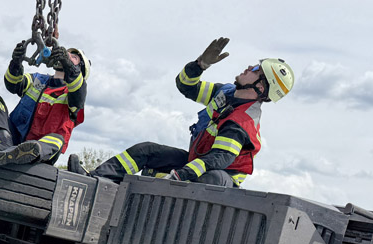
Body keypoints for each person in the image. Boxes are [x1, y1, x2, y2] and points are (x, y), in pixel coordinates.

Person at [69, 37, 294, 187]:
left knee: (209, 178)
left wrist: (180, 175)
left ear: (261, 88)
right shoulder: (226, 92)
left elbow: (218, 159)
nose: (248, 67)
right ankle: (94, 180)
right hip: (199, 160)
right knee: (146, 151)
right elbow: (186, 86)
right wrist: (200, 65)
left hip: (222, 177)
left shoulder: (242, 122)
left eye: (256, 70)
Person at [0, 40, 89, 166]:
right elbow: (13, 84)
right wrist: (16, 63)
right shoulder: (37, 79)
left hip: (42, 151)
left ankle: (28, 152)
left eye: (73, 57)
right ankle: (4, 146)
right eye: (66, 53)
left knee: (58, 140)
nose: (67, 55)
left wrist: (67, 64)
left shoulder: (73, 94)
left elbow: (79, 90)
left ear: (80, 70)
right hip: (13, 140)